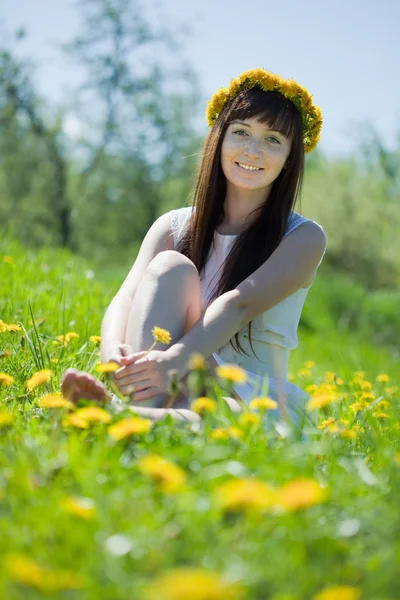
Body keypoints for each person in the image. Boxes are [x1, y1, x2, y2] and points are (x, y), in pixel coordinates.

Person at [61, 67, 326, 426]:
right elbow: (125, 297)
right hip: (164, 375)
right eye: (241, 132)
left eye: (273, 140)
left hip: (244, 392)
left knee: (229, 418)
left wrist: (175, 359)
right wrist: (114, 353)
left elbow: (239, 303)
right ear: (219, 139)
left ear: (291, 157)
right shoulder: (174, 226)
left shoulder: (303, 238)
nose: (253, 150)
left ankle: (120, 419)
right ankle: (137, 408)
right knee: (170, 266)